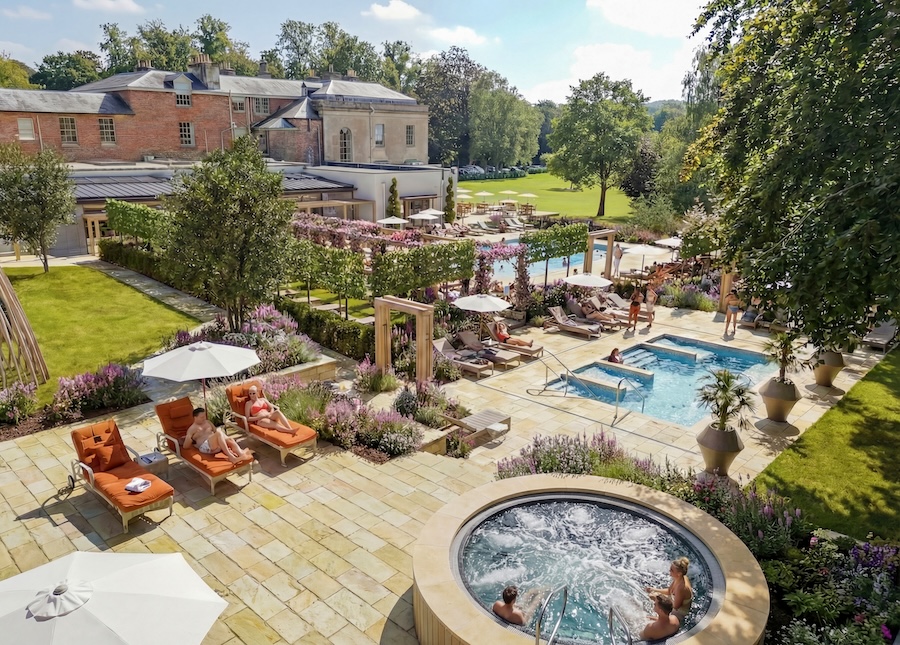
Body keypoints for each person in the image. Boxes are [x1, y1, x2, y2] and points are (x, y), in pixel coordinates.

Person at [184, 408, 252, 463]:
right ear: (195, 417)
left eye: (205, 416)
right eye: (202, 417)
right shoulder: (192, 429)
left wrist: (225, 440)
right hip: (206, 447)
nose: (204, 418)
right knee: (219, 433)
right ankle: (231, 457)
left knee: (229, 439)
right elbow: (185, 446)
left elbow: (215, 431)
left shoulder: (208, 422)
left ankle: (241, 454)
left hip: (216, 445)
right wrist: (188, 439)